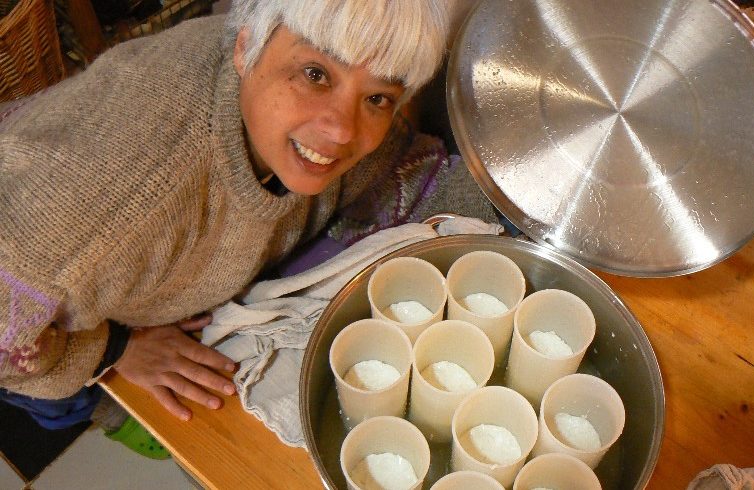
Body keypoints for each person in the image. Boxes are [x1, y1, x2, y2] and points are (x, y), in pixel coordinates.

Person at [0, 0, 498, 458]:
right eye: (315, 74)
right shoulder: (114, 198)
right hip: (35, 323)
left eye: (377, 98)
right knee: (135, 422)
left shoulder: (284, 87)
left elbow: (398, 164)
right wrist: (112, 350)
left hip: (120, 279)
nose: (344, 129)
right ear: (245, 48)